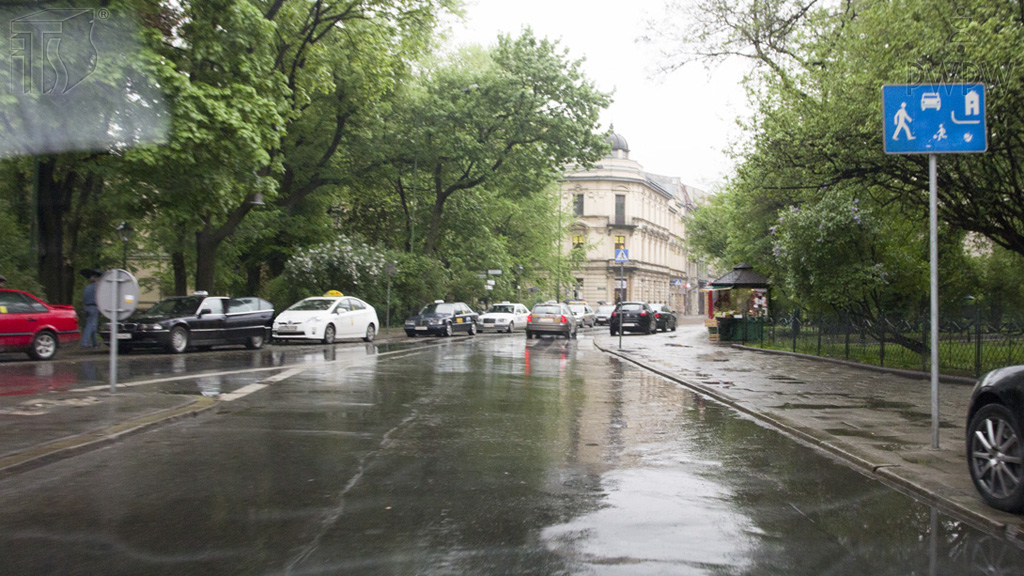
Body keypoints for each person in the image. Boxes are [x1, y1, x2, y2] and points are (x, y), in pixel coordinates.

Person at [81, 271, 100, 347]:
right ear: (95, 279)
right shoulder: (96, 288)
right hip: (93, 307)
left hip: (86, 306)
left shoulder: (87, 287)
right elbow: (98, 298)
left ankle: (95, 343)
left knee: (92, 325)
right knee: (90, 325)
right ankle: (84, 342)